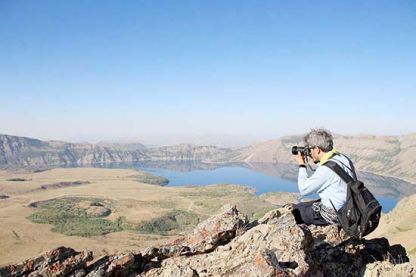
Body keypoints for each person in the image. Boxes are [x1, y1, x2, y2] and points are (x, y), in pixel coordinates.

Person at [292, 128, 357, 225]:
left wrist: (302, 165)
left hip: (333, 214)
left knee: (295, 212)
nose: (308, 152)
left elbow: (304, 190)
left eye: (309, 149)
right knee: (302, 205)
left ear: (317, 150)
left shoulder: (326, 169)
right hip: (349, 207)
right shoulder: (342, 158)